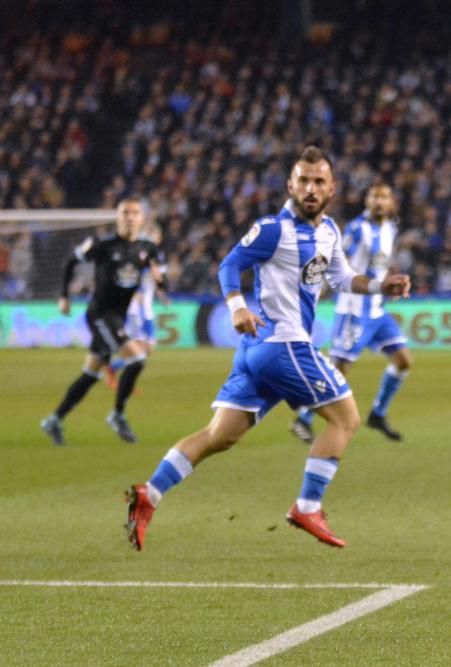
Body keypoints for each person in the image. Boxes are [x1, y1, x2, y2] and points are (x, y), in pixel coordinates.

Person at [124, 146, 410, 552]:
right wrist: (237, 305)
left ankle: (148, 495)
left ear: (332, 188)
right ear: (290, 185)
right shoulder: (273, 229)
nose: (310, 188)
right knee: (345, 420)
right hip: (283, 343)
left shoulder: (329, 230)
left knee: (219, 435)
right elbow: (228, 265)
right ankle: (307, 506)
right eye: (303, 181)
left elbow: (343, 277)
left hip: (261, 351)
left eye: (319, 182)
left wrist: (383, 286)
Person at [290, 183, 412, 444]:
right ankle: (303, 418)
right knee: (339, 370)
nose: (380, 201)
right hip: (353, 310)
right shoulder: (358, 229)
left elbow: (380, 264)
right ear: (367, 200)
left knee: (403, 360)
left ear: (392, 203)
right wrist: (316, 290)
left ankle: (378, 414)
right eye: (375, 196)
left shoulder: (390, 228)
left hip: (378, 310)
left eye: (384, 197)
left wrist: (392, 281)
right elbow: (336, 261)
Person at [40, 197, 166, 445]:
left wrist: (160, 279)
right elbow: (70, 262)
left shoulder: (148, 248)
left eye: (134, 213)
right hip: (99, 314)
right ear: (117, 218)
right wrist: (64, 296)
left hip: (118, 316)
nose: (129, 217)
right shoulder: (102, 245)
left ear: (142, 219)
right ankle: (117, 415)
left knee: (90, 374)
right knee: (137, 358)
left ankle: (54, 419)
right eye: (124, 213)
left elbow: (162, 282)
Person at [105, 222, 167, 388]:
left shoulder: (157, 257)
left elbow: (156, 280)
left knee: (147, 350)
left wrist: (162, 295)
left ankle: (114, 368)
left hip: (147, 311)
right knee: (140, 350)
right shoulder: (141, 255)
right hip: (136, 309)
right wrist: (137, 295)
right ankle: (123, 379)